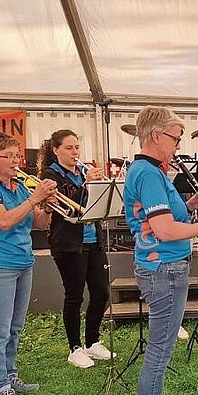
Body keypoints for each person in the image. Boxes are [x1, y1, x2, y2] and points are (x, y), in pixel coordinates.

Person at [124, 106, 198, 395]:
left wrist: (192, 202)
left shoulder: (150, 171)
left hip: (162, 267)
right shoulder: (149, 173)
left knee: (161, 350)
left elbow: (166, 211)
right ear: (156, 136)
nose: (177, 145)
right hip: (163, 269)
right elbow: (165, 230)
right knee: (158, 351)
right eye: (175, 138)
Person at [0, 131, 57, 395]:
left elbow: (39, 224)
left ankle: (9, 374)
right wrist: (34, 199)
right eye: (7, 156)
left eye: (16, 155)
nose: (15, 161)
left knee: (15, 327)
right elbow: (4, 221)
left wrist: (48, 206)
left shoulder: (19, 187)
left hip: (22, 261)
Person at [38, 130, 113, 369]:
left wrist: (99, 187)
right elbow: (67, 205)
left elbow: (95, 204)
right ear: (56, 150)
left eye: (77, 147)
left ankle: (92, 341)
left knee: (101, 292)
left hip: (93, 240)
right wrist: (86, 184)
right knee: (74, 296)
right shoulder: (51, 175)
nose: (75, 153)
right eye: (69, 148)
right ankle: (74, 347)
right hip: (68, 243)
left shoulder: (82, 171)